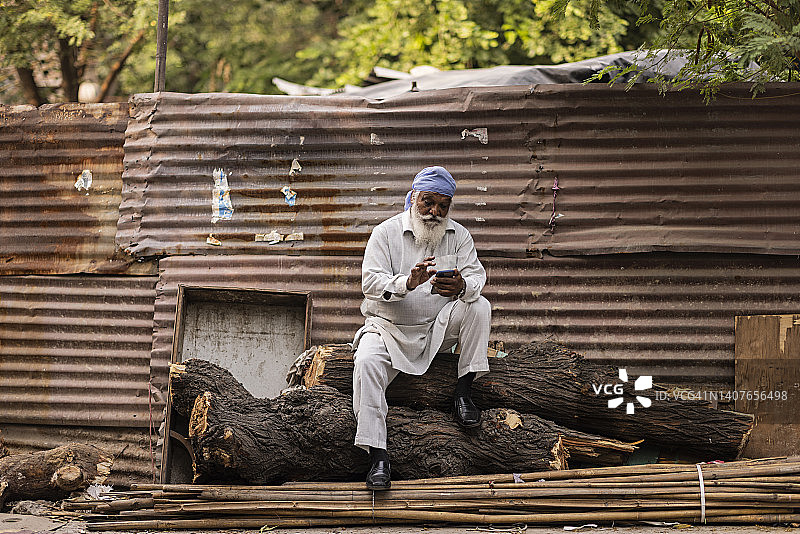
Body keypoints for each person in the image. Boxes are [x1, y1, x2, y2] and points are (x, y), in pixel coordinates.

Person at [352, 165, 492, 490]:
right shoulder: (385, 233)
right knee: (366, 363)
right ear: (414, 197)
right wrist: (407, 282)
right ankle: (378, 454)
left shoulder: (459, 236)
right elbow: (370, 283)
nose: (434, 212)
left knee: (479, 305)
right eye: (428, 202)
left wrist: (461, 286)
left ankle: (463, 391)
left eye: (443, 206)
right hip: (388, 329)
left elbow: (476, 277)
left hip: (436, 329)